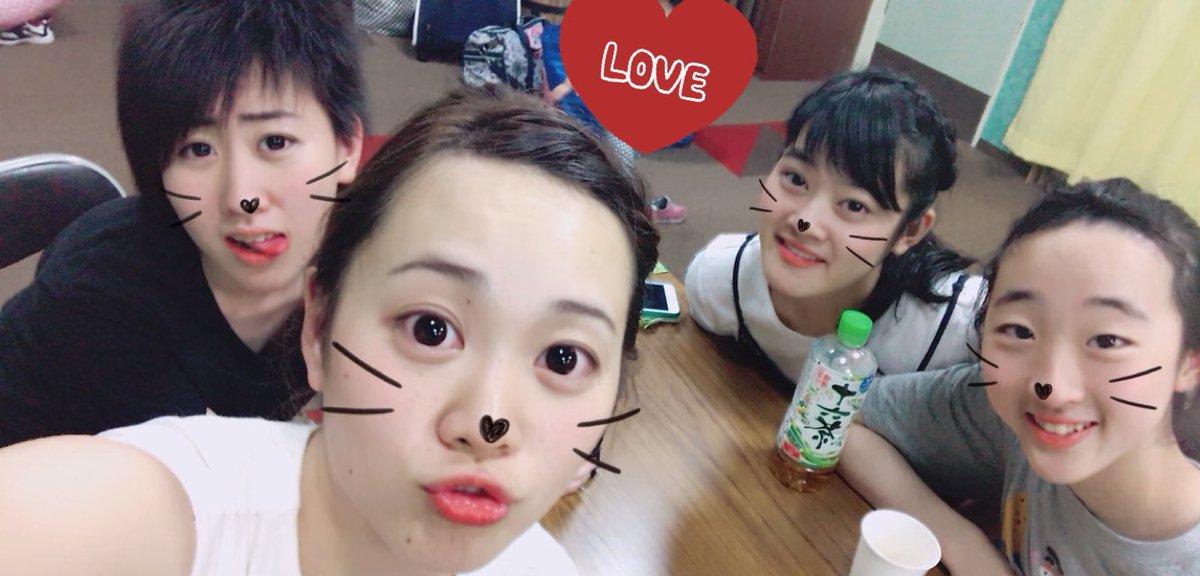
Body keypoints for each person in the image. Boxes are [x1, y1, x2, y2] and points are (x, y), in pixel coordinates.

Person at [0, 86, 661, 575]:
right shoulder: (164, 514)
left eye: (564, 358)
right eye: (431, 329)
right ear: (318, 326)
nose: (487, 423)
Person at [0, 1, 366, 447]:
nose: (242, 198)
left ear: (346, 144)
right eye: (197, 149)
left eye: (275, 142)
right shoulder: (101, 302)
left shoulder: (366, 260)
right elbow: (208, 477)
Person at [840, 178, 1200, 574]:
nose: (1051, 388)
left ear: (1189, 363)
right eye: (1020, 330)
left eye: (1107, 340)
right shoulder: (1009, 418)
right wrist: (966, 547)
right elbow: (842, 414)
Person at [684, 68, 981, 386]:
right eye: (796, 179)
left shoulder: (956, 333)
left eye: (854, 205)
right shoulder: (720, 282)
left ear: (910, 231)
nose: (805, 223)